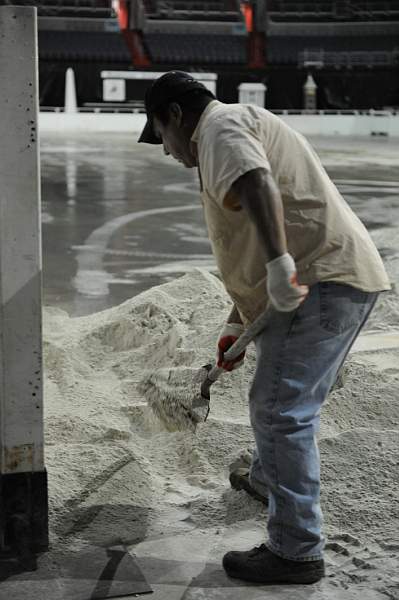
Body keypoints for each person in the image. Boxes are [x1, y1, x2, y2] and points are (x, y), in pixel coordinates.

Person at [138, 71, 390, 585]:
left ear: (176, 116)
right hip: (325, 281)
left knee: (279, 412)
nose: (165, 150)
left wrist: (279, 265)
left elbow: (258, 183)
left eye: (159, 134)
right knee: (281, 401)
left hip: (317, 281)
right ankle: (265, 479)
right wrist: (238, 323)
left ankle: (296, 551)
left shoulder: (219, 127)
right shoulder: (225, 130)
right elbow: (248, 240)